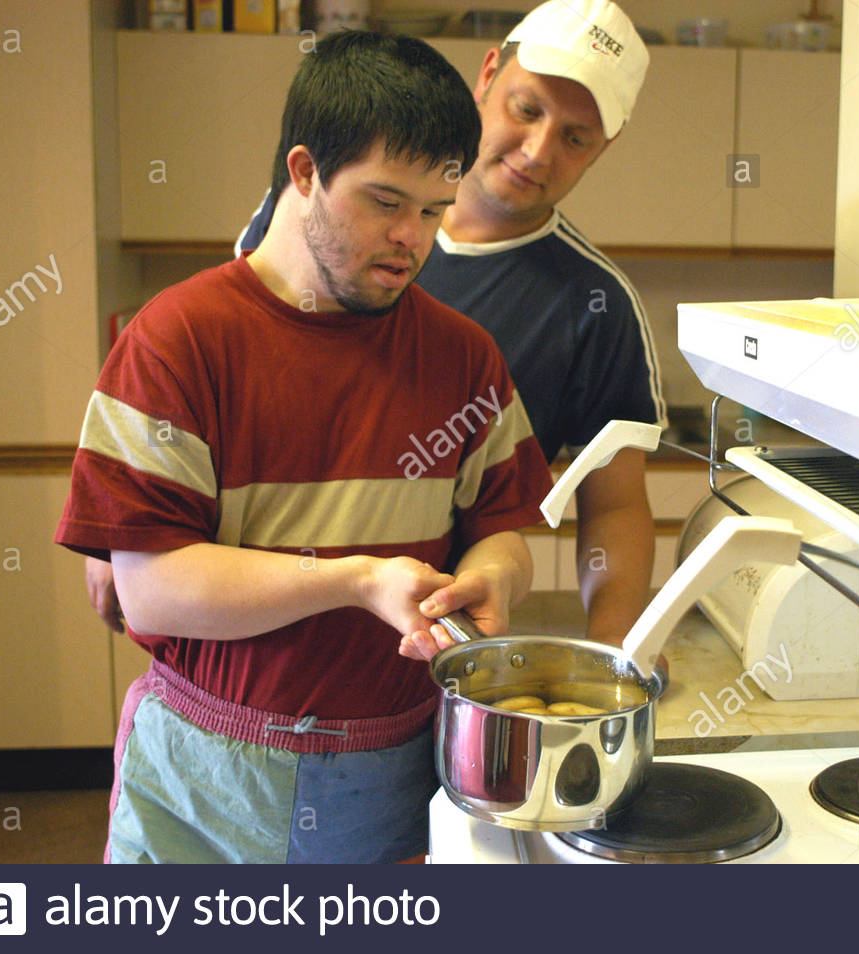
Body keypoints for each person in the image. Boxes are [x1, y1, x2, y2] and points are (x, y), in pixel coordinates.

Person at [56, 30, 553, 863]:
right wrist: (358, 580)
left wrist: (495, 576)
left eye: (435, 210)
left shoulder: (465, 357)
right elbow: (149, 592)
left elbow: (502, 528)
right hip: (204, 785)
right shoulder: (178, 340)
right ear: (304, 172)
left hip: (392, 775)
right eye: (385, 202)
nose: (413, 239)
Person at [85, 0, 667, 650]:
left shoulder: (588, 304)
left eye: (576, 137)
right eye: (527, 109)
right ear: (489, 74)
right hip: (238, 649)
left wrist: (617, 650)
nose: (537, 150)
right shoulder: (305, 221)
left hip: (411, 657)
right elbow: (210, 363)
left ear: (605, 147)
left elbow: (609, 506)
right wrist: (129, 524)